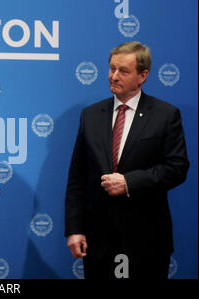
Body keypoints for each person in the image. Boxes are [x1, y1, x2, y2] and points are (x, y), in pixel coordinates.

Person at [64, 41, 189, 279]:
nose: (114, 76)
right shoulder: (90, 116)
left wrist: (129, 182)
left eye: (123, 71)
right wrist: (74, 229)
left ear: (143, 76)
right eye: (112, 68)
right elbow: (77, 177)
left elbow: (177, 168)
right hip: (98, 242)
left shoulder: (165, 115)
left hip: (146, 240)